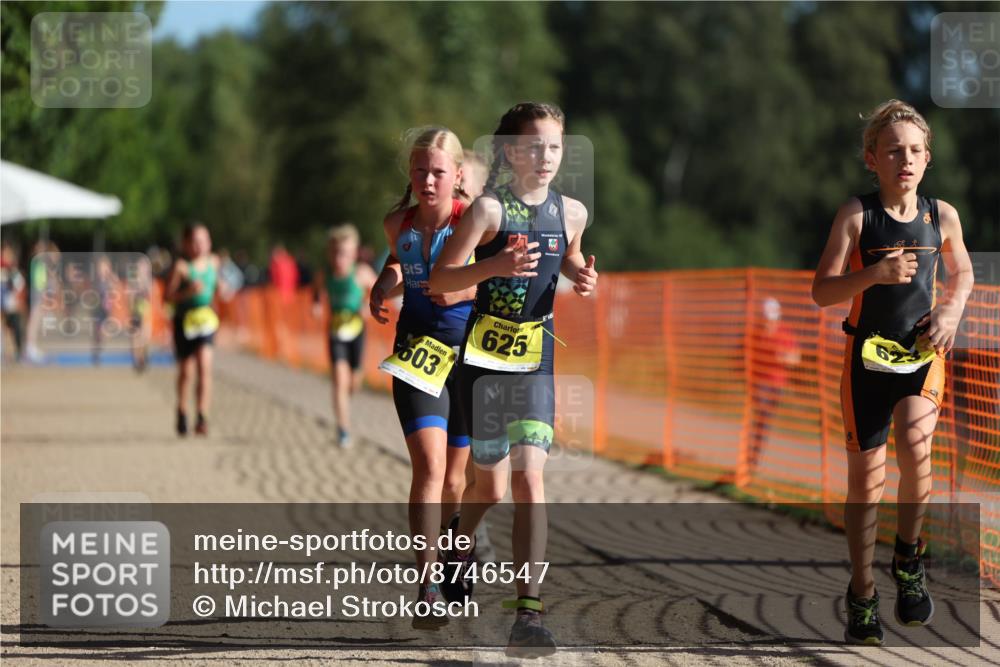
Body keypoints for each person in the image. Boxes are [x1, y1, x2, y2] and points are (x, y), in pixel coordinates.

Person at [429, 102, 598, 657]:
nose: (545, 157)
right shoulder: (487, 211)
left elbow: (565, 256)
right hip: (484, 363)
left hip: (537, 359)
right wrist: (492, 268)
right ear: (509, 151)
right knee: (493, 487)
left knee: (529, 482)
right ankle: (457, 538)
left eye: (554, 147)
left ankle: (529, 610)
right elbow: (442, 280)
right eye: (533, 146)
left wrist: (582, 274)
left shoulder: (572, 211)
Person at [811, 100, 973, 645]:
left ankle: (909, 561)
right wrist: (874, 274)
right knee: (867, 480)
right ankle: (861, 592)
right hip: (866, 361)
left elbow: (964, 272)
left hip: (922, 354)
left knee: (916, 438)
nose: (904, 159)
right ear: (871, 159)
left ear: (928, 158)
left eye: (914, 151)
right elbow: (821, 290)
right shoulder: (856, 215)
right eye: (893, 151)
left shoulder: (940, 215)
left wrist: (951, 309)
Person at [369, 127, 477, 630]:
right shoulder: (398, 224)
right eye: (420, 172)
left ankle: (460, 552)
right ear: (410, 177)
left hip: (471, 359)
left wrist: (463, 291)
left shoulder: (476, 224)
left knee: (458, 479)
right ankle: (428, 586)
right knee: (430, 469)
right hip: (417, 354)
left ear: (457, 176)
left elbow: (503, 275)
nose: (428, 180)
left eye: (438, 172)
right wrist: (382, 285)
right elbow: (397, 263)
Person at [312, 223, 377, 448]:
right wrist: (317, 304)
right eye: (337, 253)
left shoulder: (361, 273)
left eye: (346, 253)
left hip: (357, 331)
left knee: (353, 382)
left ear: (354, 254)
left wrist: (369, 307)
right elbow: (316, 292)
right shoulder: (325, 274)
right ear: (330, 253)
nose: (341, 258)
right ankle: (343, 428)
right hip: (335, 331)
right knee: (339, 380)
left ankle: (347, 402)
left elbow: (379, 292)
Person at [165, 224, 221, 437]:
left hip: (205, 319)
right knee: (187, 372)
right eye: (195, 241)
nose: (200, 246)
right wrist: (187, 292)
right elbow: (168, 297)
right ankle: (181, 410)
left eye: (204, 241)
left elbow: (215, 287)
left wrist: (221, 288)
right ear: (187, 244)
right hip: (184, 321)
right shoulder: (181, 267)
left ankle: (202, 415)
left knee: (205, 366)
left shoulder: (214, 263)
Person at [747, 297, 801, 472]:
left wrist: (783, 357)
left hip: (776, 384)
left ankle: (754, 454)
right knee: (760, 417)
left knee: (764, 419)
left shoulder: (785, 333)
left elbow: (796, 358)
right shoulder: (755, 333)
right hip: (758, 383)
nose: (767, 323)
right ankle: (752, 454)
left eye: (770, 318)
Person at [1, 244, 25, 362]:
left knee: (13, 329)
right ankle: (5, 353)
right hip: (5, 304)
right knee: (4, 329)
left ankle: (15, 353)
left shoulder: (13, 270)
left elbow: (19, 286)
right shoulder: (4, 270)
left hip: (11, 304)